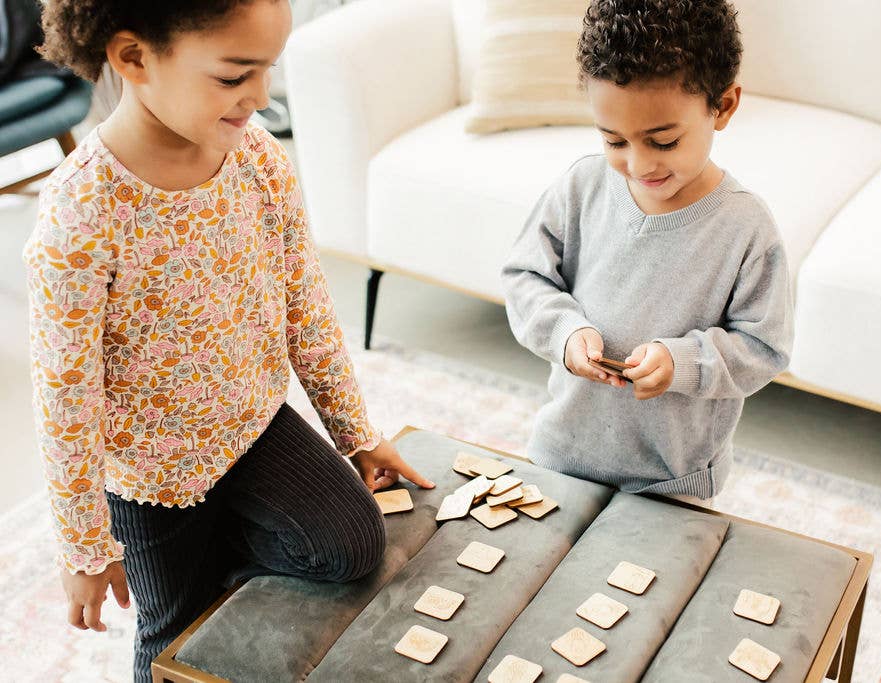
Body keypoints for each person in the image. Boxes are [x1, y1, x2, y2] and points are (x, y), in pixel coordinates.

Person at [25, 2, 433, 680]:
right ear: (133, 59)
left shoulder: (259, 160)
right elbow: (65, 401)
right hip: (151, 476)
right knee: (175, 640)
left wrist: (354, 433)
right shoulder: (81, 213)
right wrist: (85, 549)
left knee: (357, 543)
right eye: (234, 75)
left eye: (266, 70)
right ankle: (203, 565)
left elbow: (306, 304)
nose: (261, 96)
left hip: (252, 424)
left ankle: (223, 551)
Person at [502, 0, 794, 505]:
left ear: (722, 107)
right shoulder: (581, 186)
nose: (638, 165)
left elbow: (764, 349)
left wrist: (681, 362)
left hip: (671, 479)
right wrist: (566, 333)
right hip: (562, 454)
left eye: (663, 141)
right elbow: (525, 277)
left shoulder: (746, 228)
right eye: (614, 140)